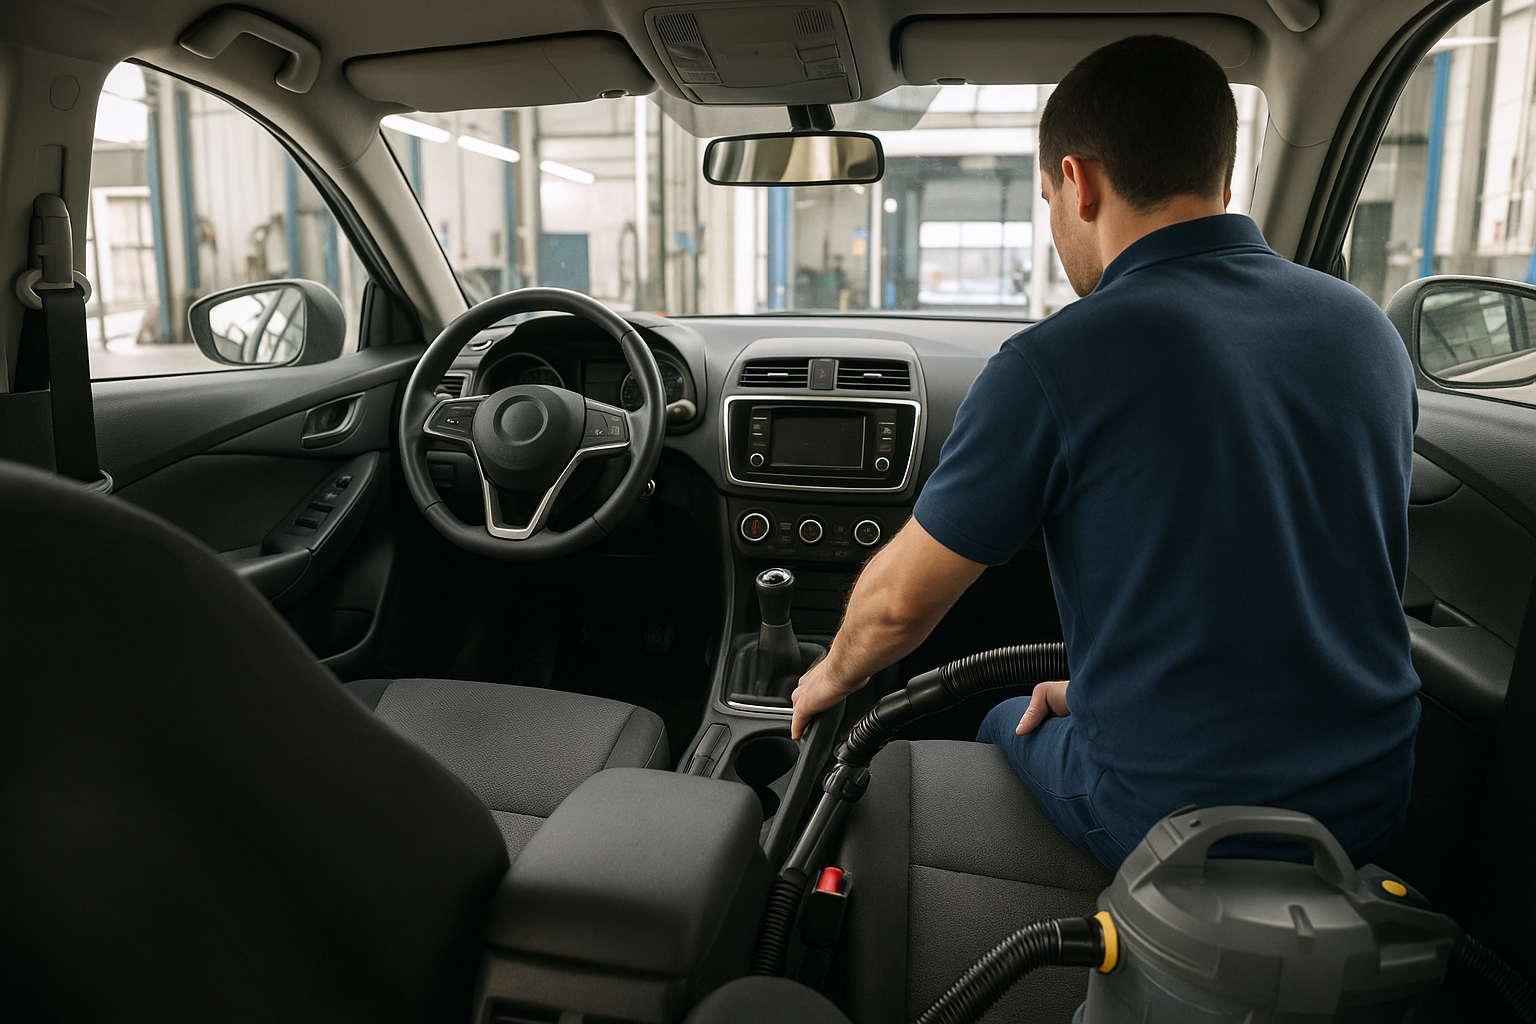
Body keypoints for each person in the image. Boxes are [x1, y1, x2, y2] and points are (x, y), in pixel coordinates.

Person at [789, 34, 1419, 870]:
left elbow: (899, 608)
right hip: (1372, 802)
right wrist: (1097, 693)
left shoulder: (1060, 360)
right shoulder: (1366, 331)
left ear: (1077, 184)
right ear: (1223, 178)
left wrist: (828, 674)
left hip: (1178, 819)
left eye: (1047, 196)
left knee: (988, 719)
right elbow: (1280, 586)